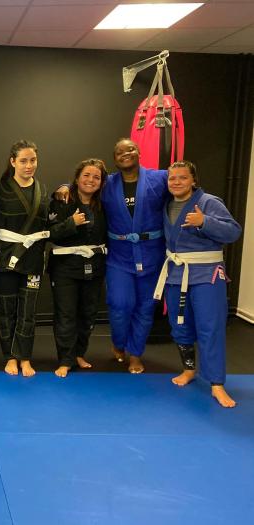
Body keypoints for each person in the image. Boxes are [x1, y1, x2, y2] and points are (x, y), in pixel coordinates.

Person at [153, 161, 241, 408]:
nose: (176, 182)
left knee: (210, 327)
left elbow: (233, 231)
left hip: (206, 275)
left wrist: (205, 221)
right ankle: (189, 369)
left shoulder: (209, 202)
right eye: (172, 178)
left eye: (182, 177)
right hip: (176, 273)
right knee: (179, 325)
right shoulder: (166, 204)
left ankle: (216, 384)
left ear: (193, 180)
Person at [101, 139, 169, 373]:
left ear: (139, 151)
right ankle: (119, 342)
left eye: (130, 149)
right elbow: (82, 185)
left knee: (146, 307)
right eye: (119, 152)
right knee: (120, 304)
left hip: (152, 255)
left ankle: (136, 355)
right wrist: (63, 187)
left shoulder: (160, 178)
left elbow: (183, 184)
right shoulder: (107, 184)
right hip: (119, 256)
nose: (125, 154)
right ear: (114, 159)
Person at [0, 140, 50, 377]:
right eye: (23, 161)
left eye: (33, 160)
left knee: (28, 311)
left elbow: (50, 221)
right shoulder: (0, 190)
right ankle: (10, 357)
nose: (29, 165)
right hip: (5, 256)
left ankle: (25, 358)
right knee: (5, 309)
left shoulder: (43, 191)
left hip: (33, 257)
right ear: (13, 162)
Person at [47, 159, 108, 377]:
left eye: (96, 177)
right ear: (76, 178)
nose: (91, 180)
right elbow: (51, 233)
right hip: (65, 266)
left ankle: (79, 353)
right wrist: (71, 223)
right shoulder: (61, 200)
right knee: (66, 314)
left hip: (95, 265)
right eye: (86, 175)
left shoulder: (104, 204)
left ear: (102, 182)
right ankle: (66, 359)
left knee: (88, 314)